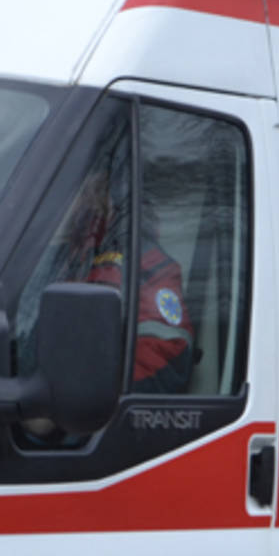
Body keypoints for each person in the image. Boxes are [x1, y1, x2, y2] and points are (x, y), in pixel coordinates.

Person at [62, 167, 193, 395]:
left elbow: (168, 360)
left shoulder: (146, 264)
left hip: (94, 415)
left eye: (86, 190)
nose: (76, 200)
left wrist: (69, 391)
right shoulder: (60, 256)